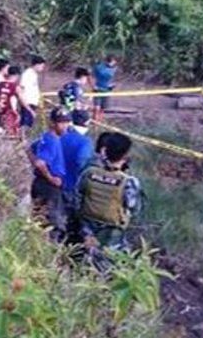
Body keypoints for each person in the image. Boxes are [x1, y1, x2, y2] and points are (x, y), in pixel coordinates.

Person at [76, 132, 143, 253]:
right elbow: (134, 209)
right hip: (112, 232)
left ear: (104, 151)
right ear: (125, 156)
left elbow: (77, 197)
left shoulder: (89, 173)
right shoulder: (128, 182)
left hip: (87, 227)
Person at [28, 107, 72, 242]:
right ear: (52, 123)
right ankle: (49, 253)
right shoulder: (52, 141)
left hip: (42, 184)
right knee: (53, 224)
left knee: (39, 219)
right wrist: (50, 177)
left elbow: (29, 149)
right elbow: (40, 163)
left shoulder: (46, 138)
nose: (65, 125)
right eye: (61, 122)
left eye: (66, 122)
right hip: (49, 188)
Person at [60, 109, 95, 214]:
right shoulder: (85, 142)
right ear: (87, 122)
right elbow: (82, 162)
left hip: (52, 181)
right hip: (72, 185)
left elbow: (34, 148)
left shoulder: (60, 135)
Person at [0, 65, 27, 138]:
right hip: (10, 113)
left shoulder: (0, 85)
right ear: (17, 75)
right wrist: (30, 110)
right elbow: (22, 100)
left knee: (1, 132)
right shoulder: (14, 86)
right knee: (11, 134)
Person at [19, 55, 45, 129]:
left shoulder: (34, 75)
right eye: (41, 66)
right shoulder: (27, 74)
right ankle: (23, 139)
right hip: (27, 103)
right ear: (37, 65)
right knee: (25, 123)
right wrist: (24, 103)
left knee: (30, 123)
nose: (42, 69)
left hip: (33, 102)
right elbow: (22, 88)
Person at [92, 55, 118, 121]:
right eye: (112, 62)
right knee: (96, 108)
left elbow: (112, 79)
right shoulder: (99, 67)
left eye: (114, 62)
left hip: (107, 90)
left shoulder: (114, 69)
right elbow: (91, 75)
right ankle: (95, 122)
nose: (113, 64)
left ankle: (100, 121)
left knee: (102, 108)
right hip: (98, 89)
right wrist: (93, 86)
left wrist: (112, 85)